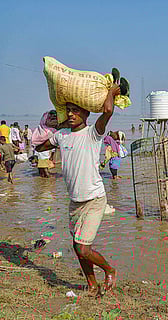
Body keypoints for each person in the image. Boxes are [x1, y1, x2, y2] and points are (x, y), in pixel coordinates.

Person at [35, 84, 120, 296]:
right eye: (69, 110)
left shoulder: (93, 133)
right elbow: (39, 147)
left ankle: (109, 270)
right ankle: (92, 284)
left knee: (83, 248)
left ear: (86, 114)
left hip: (94, 199)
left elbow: (108, 111)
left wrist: (111, 92)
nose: (72, 114)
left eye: (77, 111)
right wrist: (54, 125)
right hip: (74, 201)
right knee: (77, 247)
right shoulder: (62, 135)